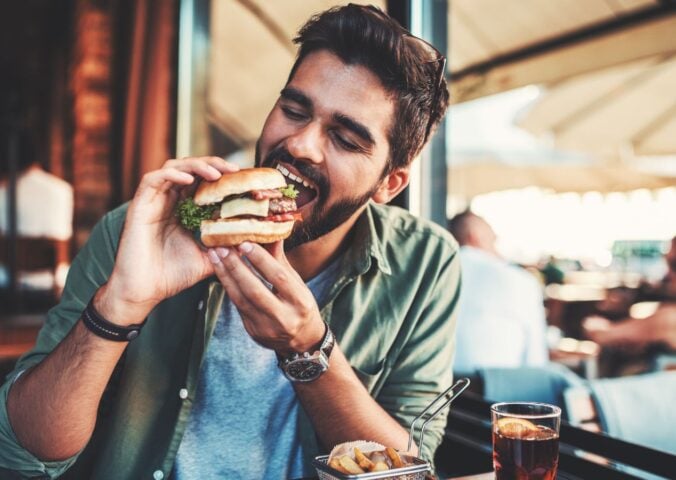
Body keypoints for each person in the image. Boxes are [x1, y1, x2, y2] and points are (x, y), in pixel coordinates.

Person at [0, 5, 460, 479]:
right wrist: (119, 305)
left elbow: (409, 473)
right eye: (294, 110)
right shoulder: (140, 230)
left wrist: (309, 350)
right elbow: (22, 452)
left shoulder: (426, 262)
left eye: (344, 139)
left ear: (391, 184)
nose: (301, 144)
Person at [448, 210, 548, 372]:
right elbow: (535, 357)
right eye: (493, 239)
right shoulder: (519, 279)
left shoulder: (431, 273)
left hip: (440, 388)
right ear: (476, 237)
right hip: (495, 386)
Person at [583, 236, 676, 374]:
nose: (667, 274)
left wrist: (596, 326)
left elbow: (602, 335)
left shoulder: (668, 320)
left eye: (674, 264)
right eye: (667, 262)